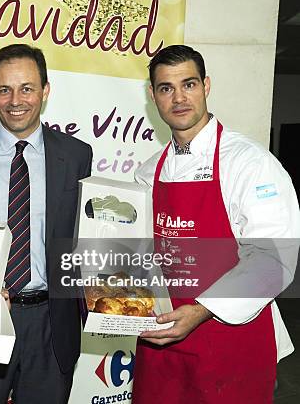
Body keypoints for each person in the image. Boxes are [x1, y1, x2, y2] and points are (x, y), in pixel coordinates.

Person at [133, 44, 300, 403]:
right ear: (153, 96)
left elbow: (274, 260)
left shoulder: (250, 162)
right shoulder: (149, 171)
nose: (178, 98)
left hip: (230, 337)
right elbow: (140, 253)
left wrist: (202, 309)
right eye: (166, 88)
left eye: (188, 84)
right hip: (162, 343)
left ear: (206, 86)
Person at [0, 44, 93, 403]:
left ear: (45, 90)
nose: (15, 100)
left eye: (26, 88)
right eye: (4, 89)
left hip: (52, 323)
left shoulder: (76, 155)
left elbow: (83, 237)